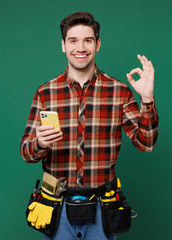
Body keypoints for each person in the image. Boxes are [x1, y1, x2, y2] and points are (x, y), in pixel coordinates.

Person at [20, 11, 159, 240]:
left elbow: (147, 143)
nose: (81, 47)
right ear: (63, 45)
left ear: (98, 44)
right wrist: (40, 143)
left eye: (88, 40)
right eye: (73, 40)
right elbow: (26, 152)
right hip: (57, 207)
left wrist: (147, 99)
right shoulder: (46, 93)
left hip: (102, 208)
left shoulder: (119, 92)